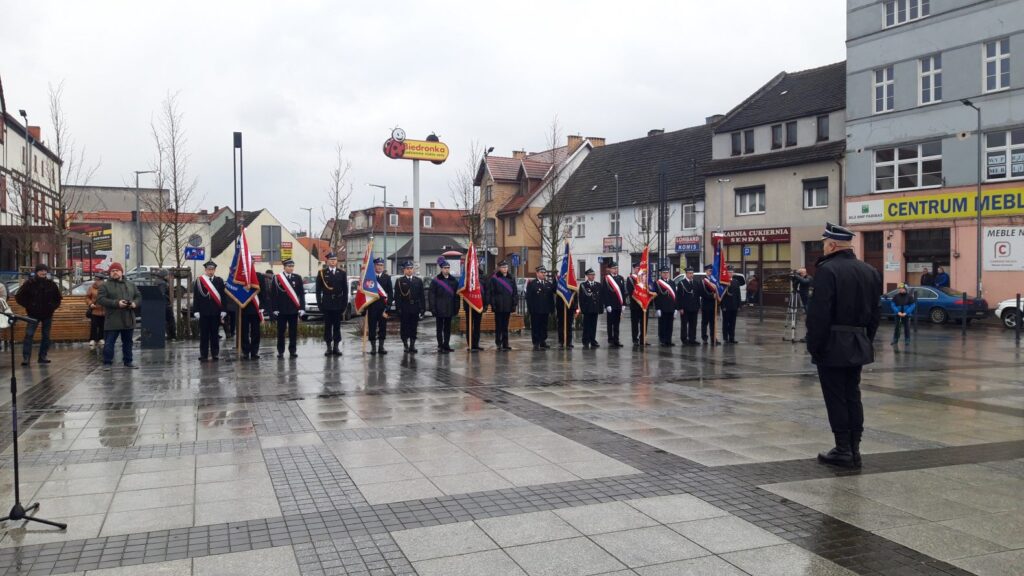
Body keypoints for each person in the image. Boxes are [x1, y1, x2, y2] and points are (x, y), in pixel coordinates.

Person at [806, 222, 882, 469]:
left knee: (836, 397)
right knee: (852, 395)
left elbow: (819, 315)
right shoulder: (870, 270)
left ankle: (843, 449)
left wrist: (814, 346)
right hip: (858, 342)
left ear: (832, 245)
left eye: (824, 244)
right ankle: (854, 449)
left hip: (832, 344)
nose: (823, 248)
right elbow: (875, 314)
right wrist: (865, 339)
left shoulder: (828, 271)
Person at [96, 262, 142, 370]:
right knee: (109, 343)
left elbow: (138, 296)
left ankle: (128, 361)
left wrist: (134, 303)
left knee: (128, 342)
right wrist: (116, 303)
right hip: (113, 319)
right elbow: (100, 299)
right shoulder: (105, 286)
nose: (115, 273)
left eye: (117, 270)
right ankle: (107, 363)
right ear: (110, 273)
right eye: (112, 271)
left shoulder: (130, 284)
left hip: (128, 318)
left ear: (121, 272)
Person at [15, 263, 63, 366]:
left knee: (46, 336)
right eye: (41, 270)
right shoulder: (29, 283)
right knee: (29, 335)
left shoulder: (51, 284)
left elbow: (58, 299)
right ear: (36, 272)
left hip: (47, 314)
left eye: (45, 270)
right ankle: (26, 358)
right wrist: (29, 306)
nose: (43, 272)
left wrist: (52, 307)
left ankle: (42, 357)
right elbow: (19, 297)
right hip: (33, 315)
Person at [192, 261, 226, 362]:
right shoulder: (199, 281)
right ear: (205, 270)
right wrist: (196, 310)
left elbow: (223, 297)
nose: (211, 271)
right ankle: (204, 354)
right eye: (209, 270)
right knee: (204, 335)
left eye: (212, 270)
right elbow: (196, 297)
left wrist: (223, 310)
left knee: (214, 334)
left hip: (215, 312)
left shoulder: (219, 281)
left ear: (215, 270)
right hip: (203, 312)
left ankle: (215, 353)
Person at [271, 259, 306, 358]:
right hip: (281, 310)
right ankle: (280, 351)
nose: (291, 268)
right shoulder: (277, 278)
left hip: (293, 310)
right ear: (284, 267)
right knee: (281, 332)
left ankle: (292, 351)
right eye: (289, 266)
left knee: (293, 332)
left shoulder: (297, 278)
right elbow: (273, 295)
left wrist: (302, 308)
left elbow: (301, 294)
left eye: (292, 266)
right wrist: (275, 308)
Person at [316, 252, 348, 356]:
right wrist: (320, 304)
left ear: (337, 261)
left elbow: (345, 290)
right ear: (327, 261)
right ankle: (329, 347)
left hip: (338, 303)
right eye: (331, 260)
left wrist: (344, 305)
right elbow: (318, 291)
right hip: (327, 303)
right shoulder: (322, 273)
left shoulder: (342, 273)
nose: (333, 261)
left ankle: (336, 347)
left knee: (337, 326)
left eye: (334, 259)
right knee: (328, 326)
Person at [429, 258, 459, 353]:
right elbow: (432, 296)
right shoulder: (435, 281)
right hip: (439, 308)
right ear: (441, 269)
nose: (447, 270)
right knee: (439, 329)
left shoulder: (453, 281)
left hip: (449, 308)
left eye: (448, 268)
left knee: (447, 328)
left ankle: (446, 345)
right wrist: (433, 308)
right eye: (445, 268)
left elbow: (456, 296)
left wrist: (456, 307)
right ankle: (440, 345)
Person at [394, 261, 424, 353]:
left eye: (411, 268)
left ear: (413, 269)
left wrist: (423, 308)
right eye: (407, 269)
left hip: (415, 306)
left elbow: (421, 295)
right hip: (405, 306)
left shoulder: (418, 281)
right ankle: (405, 345)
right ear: (404, 270)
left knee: (413, 326)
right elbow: (397, 296)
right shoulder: (400, 281)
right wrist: (398, 308)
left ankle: (412, 345)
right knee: (405, 327)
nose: (409, 270)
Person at [241, 258, 267, 360]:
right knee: (244, 332)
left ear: (253, 263)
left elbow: (263, 293)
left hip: (256, 308)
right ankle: (246, 352)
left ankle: (254, 352)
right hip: (244, 307)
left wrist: (262, 307)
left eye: (250, 262)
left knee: (256, 332)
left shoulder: (259, 276)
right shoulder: (241, 276)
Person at [488, 260, 517, 351]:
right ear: (499, 268)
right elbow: (491, 293)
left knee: (505, 326)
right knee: (499, 326)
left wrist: (514, 304)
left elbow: (514, 292)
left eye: (506, 267)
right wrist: (493, 304)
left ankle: (505, 343)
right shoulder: (494, 278)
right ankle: (498, 343)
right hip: (498, 306)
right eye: (503, 267)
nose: (505, 269)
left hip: (508, 305)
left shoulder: (511, 278)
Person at [365, 257, 392, 355]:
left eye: (381, 265)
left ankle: (381, 347)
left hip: (383, 307)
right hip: (372, 307)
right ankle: (373, 347)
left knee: (383, 327)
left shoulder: (387, 277)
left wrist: (388, 306)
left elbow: (390, 293)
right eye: (378, 265)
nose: (380, 267)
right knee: (372, 327)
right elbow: (366, 293)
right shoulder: (370, 278)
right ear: (374, 266)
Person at [526, 266, 554, 351]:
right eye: (542, 272)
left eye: (544, 273)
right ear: (537, 273)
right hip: (536, 310)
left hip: (545, 309)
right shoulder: (532, 284)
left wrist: (551, 308)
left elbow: (551, 298)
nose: (543, 274)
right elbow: (529, 297)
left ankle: (543, 341)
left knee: (544, 326)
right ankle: (536, 342)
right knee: (536, 326)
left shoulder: (548, 284)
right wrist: (530, 309)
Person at [601, 261, 626, 348]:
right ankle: (610, 339)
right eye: (614, 268)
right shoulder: (607, 278)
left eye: (616, 268)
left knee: (617, 323)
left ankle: (616, 339)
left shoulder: (621, 278)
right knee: (610, 323)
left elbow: (623, 292)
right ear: (610, 269)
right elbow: (605, 292)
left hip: (618, 304)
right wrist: (607, 305)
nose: (615, 269)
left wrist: (624, 304)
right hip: (610, 305)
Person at [463, 267, 487, 352]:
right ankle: (470, 345)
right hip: (469, 305)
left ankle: (476, 344)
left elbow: (486, 291)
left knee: (477, 326)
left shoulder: (483, 277)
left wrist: (485, 305)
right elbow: (462, 289)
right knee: (469, 325)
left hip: (479, 305)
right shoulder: (466, 276)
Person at [579, 268, 602, 348]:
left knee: (593, 325)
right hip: (587, 309)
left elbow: (600, 298)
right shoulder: (583, 285)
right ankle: (585, 341)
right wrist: (582, 309)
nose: (592, 276)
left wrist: (600, 309)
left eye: (593, 275)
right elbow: (581, 299)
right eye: (591, 275)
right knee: (586, 326)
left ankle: (593, 340)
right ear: (587, 276)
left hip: (594, 309)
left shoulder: (598, 285)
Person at [721, 265, 745, 344]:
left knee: (732, 322)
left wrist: (739, 305)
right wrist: (723, 306)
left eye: (731, 272)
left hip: (734, 305)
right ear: (726, 273)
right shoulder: (723, 282)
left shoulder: (736, 282)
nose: (730, 273)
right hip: (726, 306)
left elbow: (738, 294)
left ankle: (732, 337)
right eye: (729, 272)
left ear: (733, 273)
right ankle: (725, 337)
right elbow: (722, 295)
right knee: (726, 322)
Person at [676, 267, 700, 346]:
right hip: (685, 308)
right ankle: (684, 339)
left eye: (692, 273)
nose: (691, 275)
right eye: (689, 273)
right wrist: (680, 308)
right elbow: (678, 297)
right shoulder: (681, 283)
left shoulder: (696, 283)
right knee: (684, 325)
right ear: (686, 274)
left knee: (693, 324)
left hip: (694, 307)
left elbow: (697, 296)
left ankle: (692, 339)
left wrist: (698, 306)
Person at [654, 266, 676, 346]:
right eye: (664, 273)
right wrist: (657, 308)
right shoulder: (657, 283)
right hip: (662, 307)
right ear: (661, 273)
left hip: (670, 307)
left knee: (670, 325)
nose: (666, 274)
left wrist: (675, 308)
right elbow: (656, 297)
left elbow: (674, 296)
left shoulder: (672, 282)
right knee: (662, 325)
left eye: (667, 273)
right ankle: (662, 340)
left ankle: (668, 340)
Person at [626, 262, 646, 347]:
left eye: (639, 268)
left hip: (643, 304)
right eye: (637, 268)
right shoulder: (630, 279)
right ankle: (635, 339)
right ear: (634, 269)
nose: (638, 270)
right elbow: (630, 292)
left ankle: (643, 339)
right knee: (635, 323)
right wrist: (639, 297)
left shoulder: (644, 278)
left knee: (643, 323)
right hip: (635, 304)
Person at [555, 273, 578, 350]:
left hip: (570, 308)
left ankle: (569, 342)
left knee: (569, 325)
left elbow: (575, 298)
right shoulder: (560, 285)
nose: (567, 278)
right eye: (566, 276)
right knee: (561, 325)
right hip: (561, 309)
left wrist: (575, 308)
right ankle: (561, 342)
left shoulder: (573, 285)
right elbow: (557, 295)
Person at [699, 264, 720, 345]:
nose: (710, 272)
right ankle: (704, 338)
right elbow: (702, 293)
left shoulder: (714, 280)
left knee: (713, 323)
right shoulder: (703, 281)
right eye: (709, 271)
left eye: (711, 271)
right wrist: (712, 296)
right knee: (705, 322)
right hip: (706, 305)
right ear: (705, 271)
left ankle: (713, 338)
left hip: (713, 305)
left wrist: (717, 297)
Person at [85, 275, 106, 350]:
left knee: (102, 325)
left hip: (104, 311)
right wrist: (91, 303)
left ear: (102, 280)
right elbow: (87, 297)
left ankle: (101, 338)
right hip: (95, 310)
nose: (96, 281)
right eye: (96, 279)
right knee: (94, 325)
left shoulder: (106, 288)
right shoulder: (91, 288)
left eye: (98, 280)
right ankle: (92, 339)